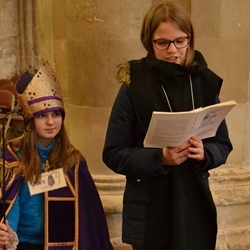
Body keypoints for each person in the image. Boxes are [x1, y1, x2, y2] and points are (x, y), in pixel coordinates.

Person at [102, 1, 233, 250]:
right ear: (148, 41)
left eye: (180, 41)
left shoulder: (204, 82)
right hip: (149, 209)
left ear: (189, 38)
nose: (173, 50)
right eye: (162, 42)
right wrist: (160, 158)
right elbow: (113, 153)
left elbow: (223, 145)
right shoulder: (134, 84)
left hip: (193, 205)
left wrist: (205, 152)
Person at [0, 61, 114, 250]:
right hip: (21, 243)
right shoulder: (13, 155)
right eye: (42, 116)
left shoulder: (73, 160)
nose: (51, 122)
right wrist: (10, 236)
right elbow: (11, 202)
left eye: (56, 114)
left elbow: (88, 219)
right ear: (30, 120)